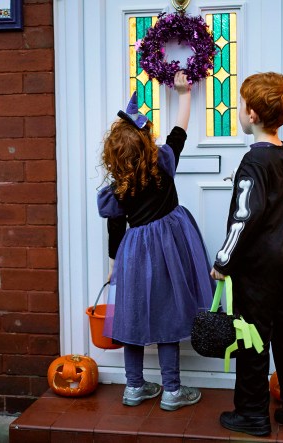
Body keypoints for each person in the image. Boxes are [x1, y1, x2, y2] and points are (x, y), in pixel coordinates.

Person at [210, 72, 283, 436]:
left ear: (253, 115)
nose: (240, 111)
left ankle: (252, 415)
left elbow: (244, 217)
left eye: (242, 105)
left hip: (258, 267)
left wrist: (223, 262)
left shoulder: (253, 162)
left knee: (251, 336)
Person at [97, 71, 214, 411]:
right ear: (147, 143)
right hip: (170, 250)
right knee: (168, 316)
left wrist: (113, 267)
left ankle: (134, 387)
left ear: (114, 155)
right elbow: (179, 132)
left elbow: (115, 230)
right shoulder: (163, 162)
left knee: (130, 317)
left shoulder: (118, 186)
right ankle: (172, 391)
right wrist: (184, 94)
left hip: (133, 253)